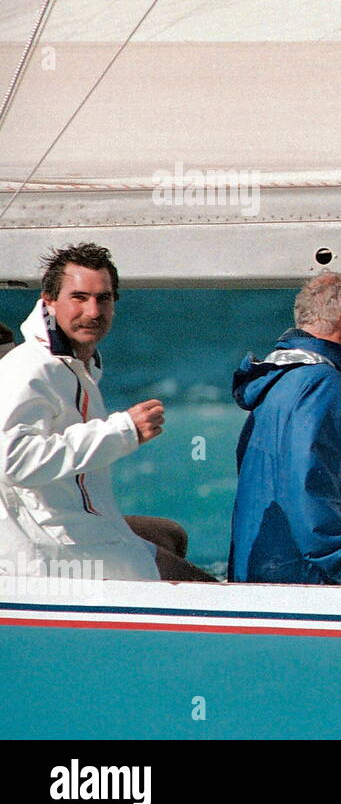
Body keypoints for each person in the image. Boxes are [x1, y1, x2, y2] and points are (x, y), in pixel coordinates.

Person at [0, 243, 211, 581]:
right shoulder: (31, 368)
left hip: (80, 527)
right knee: (203, 590)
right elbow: (14, 461)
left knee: (170, 534)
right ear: (49, 300)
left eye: (104, 298)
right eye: (79, 297)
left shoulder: (76, 366)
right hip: (51, 547)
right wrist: (123, 431)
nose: (94, 311)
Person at [229, 273, 341, 587]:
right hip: (308, 582)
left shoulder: (276, 381)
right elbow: (306, 480)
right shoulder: (322, 383)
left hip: (265, 573)